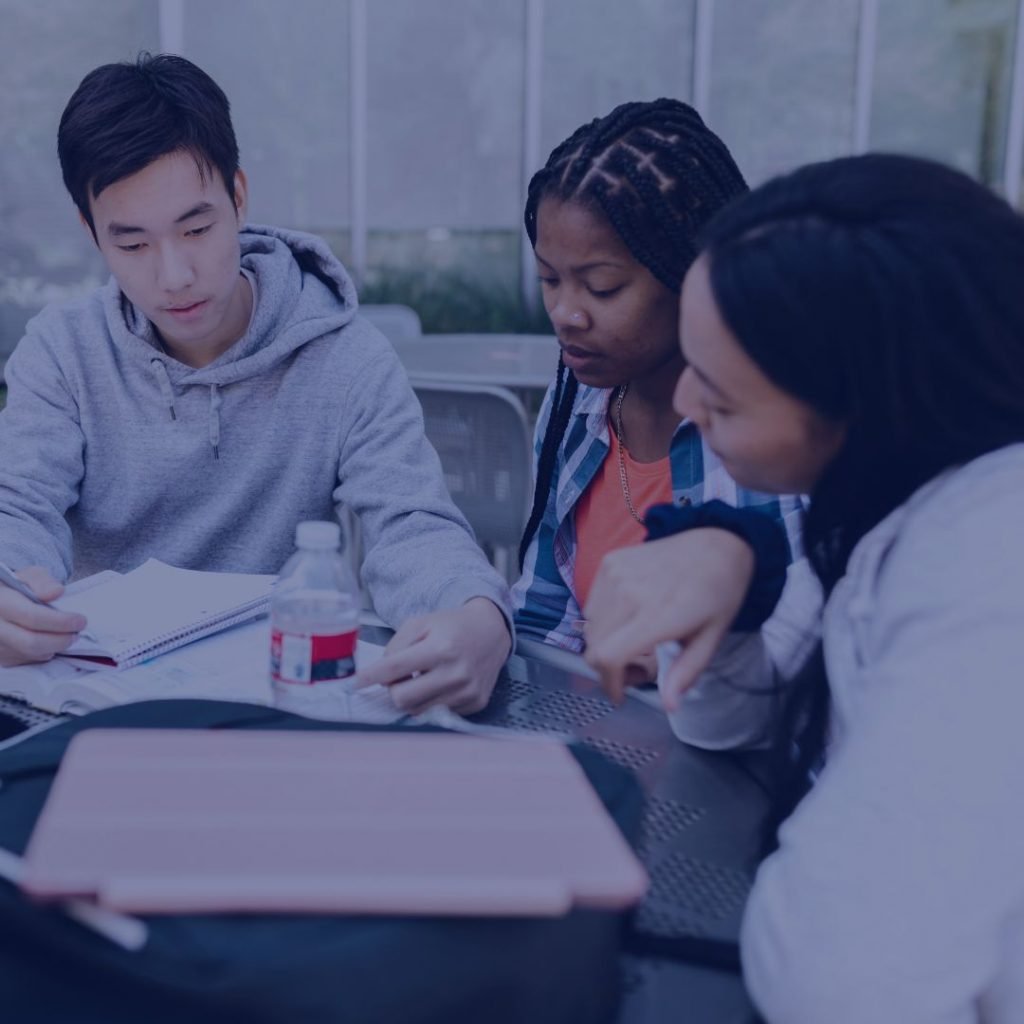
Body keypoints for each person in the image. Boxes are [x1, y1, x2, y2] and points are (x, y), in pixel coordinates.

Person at [584, 153, 1024, 1022]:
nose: (686, 402)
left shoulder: (985, 572)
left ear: (870, 407)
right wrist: (735, 574)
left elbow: (841, 974)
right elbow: (724, 719)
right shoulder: (889, 503)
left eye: (724, 394)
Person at [0, 54, 511, 714]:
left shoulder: (345, 357)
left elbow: (412, 527)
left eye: (197, 228)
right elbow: (17, 505)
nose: (175, 274)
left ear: (239, 195)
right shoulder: (62, 350)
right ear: (91, 232)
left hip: (277, 703)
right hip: (98, 707)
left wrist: (477, 616)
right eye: (133, 245)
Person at [510, 98, 801, 658]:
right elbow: (544, 616)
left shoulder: (775, 427)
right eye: (550, 279)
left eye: (602, 288)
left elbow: (794, 650)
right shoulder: (576, 400)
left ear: (692, 272)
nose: (566, 312)